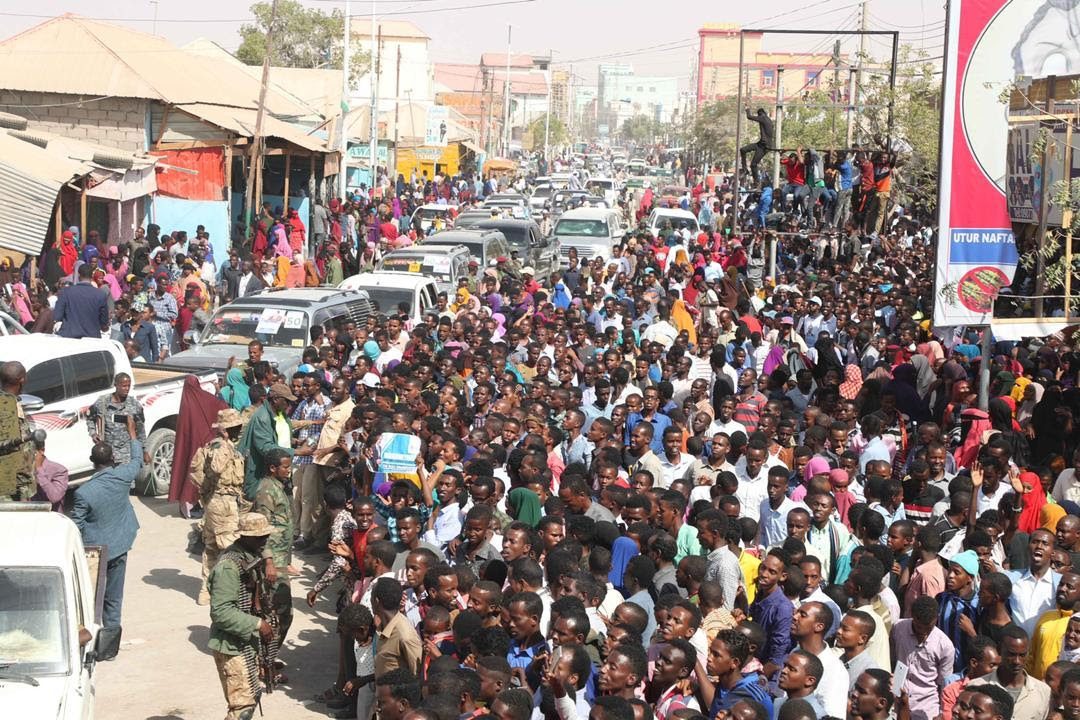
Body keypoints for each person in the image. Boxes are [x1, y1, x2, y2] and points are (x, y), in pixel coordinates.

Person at [70, 426, 143, 629]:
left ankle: (91, 634)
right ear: (112, 459)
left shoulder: (84, 493)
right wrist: (133, 434)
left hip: (94, 553)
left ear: (93, 462)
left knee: (91, 594)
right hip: (120, 547)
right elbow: (138, 461)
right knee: (114, 596)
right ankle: (110, 639)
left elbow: (77, 524)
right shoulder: (122, 476)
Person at [206, 512, 277, 720]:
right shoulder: (229, 566)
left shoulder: (249, 555)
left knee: (250, 697)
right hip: (231, 645)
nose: (265, 540)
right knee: (242, 708)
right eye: (260, 537)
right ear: (245, 537)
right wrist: (257, 624)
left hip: (245, 641)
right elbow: (221, 612)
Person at [190, 408, 248, 606]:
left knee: (212, 547)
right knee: (231, 547)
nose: (238, 430)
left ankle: (207, 590)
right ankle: (230, 591)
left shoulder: (222, 445)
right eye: (235, 427)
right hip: (222, 502)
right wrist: (225, 444)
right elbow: (215, 468)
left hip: (219, 501)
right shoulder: (220, 446)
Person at [252, 448, 295, 659]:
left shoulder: (277, 486)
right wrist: (268, 561)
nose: (289, 470)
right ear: (272, 468)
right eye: (285, 467)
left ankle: (266, 658)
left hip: (279, 559)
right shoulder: (266, 491)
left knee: (279, 612)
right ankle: (264, 659)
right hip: (272, 561)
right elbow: (261, 528)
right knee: (281, 613)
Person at [970, 626, 1052, 720]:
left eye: (1022, 655)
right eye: (1011, 654)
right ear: (999, 650)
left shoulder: (1043, 692)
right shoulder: (976, 686)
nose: (1017, 661)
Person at [87, 372, 146, 469]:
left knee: (127, 482)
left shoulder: (134, 405)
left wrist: (144, 450)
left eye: (128, 386)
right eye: (124, 386)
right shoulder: (102, 402)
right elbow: (90, 418)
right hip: (107, 455)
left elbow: (140, 430)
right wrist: (93, 433)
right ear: (116, 385)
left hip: (126, 454)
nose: (127, 389)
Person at [0, 361, 34, 501]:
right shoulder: (7, 408)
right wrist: (23, 492)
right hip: (11, 487)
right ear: (22, 380)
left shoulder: (9, 402)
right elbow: (14, 451)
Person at [54, 263, 109, 338]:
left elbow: (57, 316)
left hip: (68, 338)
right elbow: (104, 322)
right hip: (91, 340)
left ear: (79, 275)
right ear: (92, 275)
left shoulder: (66, 292)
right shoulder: (101, 295)